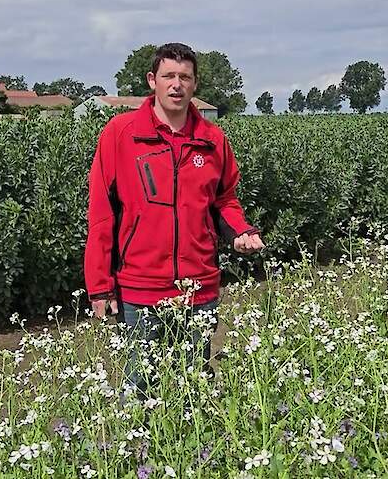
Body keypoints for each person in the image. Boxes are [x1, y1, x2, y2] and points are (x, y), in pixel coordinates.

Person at [83, 42, 264, 396]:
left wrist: (241, 231)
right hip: (140, 288)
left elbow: (224, 200)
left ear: (195, 84)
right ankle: (136, 452)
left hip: (199, 288)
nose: (176, 84)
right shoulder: (120, 134)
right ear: (153, 80)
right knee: (138, 389)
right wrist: (100, 285)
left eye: (185, 77)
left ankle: (193, 453)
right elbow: (102, 214)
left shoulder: (212, 140)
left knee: (194, 386)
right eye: (168, 76)